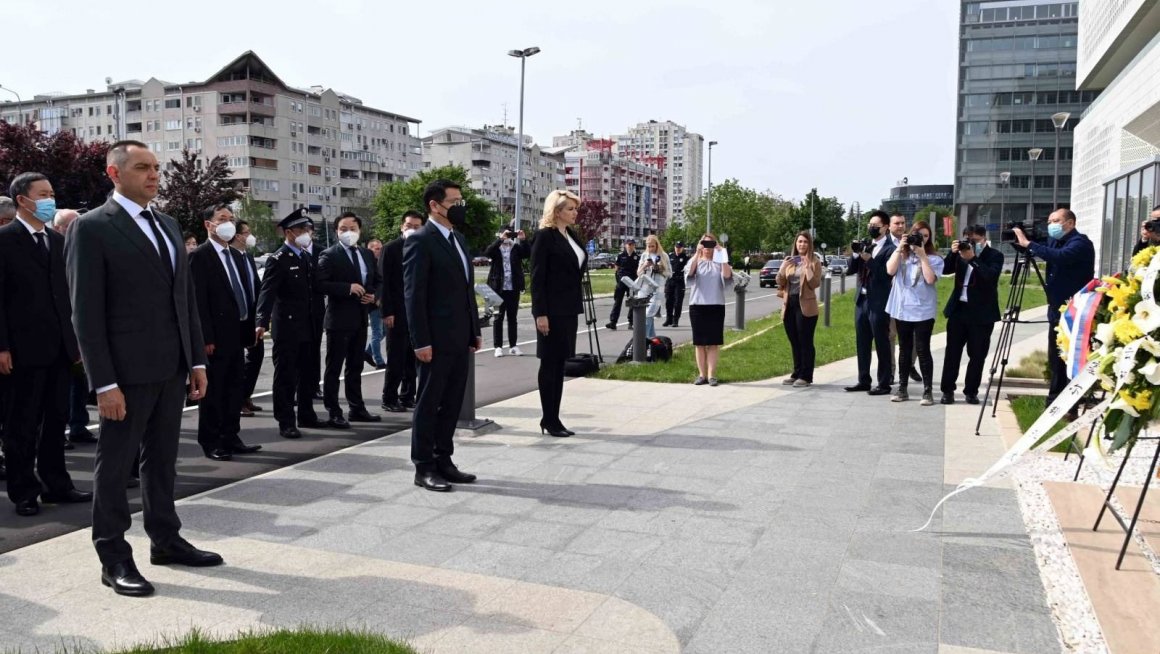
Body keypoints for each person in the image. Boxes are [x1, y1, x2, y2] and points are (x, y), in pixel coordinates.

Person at [67, 140, 218, 598]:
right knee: (115, 467)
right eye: (142, 168)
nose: (154, 175)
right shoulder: (92, 228)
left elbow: (183, 299)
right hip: (125, 375)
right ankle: (113, 556)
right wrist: (104, 382)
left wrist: (195, 360)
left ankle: (166, 539)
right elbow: (85, 313)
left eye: (156, 167)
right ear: (114, 174)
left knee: (162, 461)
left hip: (171, 367)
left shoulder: (168, 225)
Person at [0, 172, 92, 517]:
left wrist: (77, 341)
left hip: (59, 349)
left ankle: (58, 483)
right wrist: (2, 346)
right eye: (43, 194)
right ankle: (24, 491)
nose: (49, 199)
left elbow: (68, 297)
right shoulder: (5, 240)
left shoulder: (57, 242)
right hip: (21, 351)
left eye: (51, 193)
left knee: (56, 420)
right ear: (23, 200)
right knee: (21, 424)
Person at [404, 180, 481, 492]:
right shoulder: (420, 240)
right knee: (429, 403)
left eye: (461, 200)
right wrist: (420, 340)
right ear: (435, 205)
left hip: (459, 336)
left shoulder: (459, 239)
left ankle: (444, 459)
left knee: (451, 402)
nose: (461, 206)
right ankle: (424, 466)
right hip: (434, 340)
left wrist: (474, 330)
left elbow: (466, 290)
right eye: (454, 201)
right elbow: (414, 295)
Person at [189, 204, 262, 460]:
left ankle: (231, 436)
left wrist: (252, 325)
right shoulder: (199, 257)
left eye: (231, 219)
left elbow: (244, 293)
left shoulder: (237, 255)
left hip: (238, 332)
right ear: (209, 224)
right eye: (222, 219)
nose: (228, 223)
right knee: (214, 392)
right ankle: (212, 441)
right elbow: (198, 301)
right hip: (215, 338)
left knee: (234, 388)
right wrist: (206, 337)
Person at [1014, 209, 1095, 411]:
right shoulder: (1055, 241)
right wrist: (1021, 242)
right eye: (1049, 221)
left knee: (1071, 356)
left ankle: (1072, 402)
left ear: (1069, 223)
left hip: (1075, 310)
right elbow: (1043, 248)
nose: (1051, 225)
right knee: (1055, 357)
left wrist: (1029, 244)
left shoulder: (1080, 243)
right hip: (1056, 308)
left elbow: (1060, 257)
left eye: (1055, 221)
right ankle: (1054, 400)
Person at [255, 210, 327, 439]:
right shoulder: (278, 259)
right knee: (286, 376)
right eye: (301, 230)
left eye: (308, 230)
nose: (307, 234)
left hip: (309, 325)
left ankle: (307, 414)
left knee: (308, 373)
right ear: (289, 233)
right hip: (287, 328)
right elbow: (267, 292)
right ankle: (285, 420)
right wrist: (261, 321)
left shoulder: (305, 257)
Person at [318, 212, 382, 428]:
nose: (348, 233)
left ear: (360, 231)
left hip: (361, 318)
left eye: (352, 229)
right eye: (343, 229)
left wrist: (373, 294)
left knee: (355, 367)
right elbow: (320, 285)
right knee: (334, 368)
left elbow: (377, 280)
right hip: (338, 321)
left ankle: (357, 408)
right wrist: (347, 288)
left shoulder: (365, 254)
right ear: (336, 231)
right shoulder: (329, 255)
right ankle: (333, 411)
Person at [530, 190, 586, 437]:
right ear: (556, 211)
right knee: (550, 363)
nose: (575, 213)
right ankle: (549, 419)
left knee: (560, 363)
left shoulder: (570, 236)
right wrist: (540, 313)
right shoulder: (545, 237)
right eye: (571, 209)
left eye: (576, 209)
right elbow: (537, 278)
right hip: (551, 311)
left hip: (569, 308)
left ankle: (554, 418)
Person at [50, 208, 98, 447]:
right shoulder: (54, 249)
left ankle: (78, 426)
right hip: (60, 331)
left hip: (79, 329)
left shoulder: (82, 249)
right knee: (64, 387)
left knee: (79, 384)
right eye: (72, 225)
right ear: (59, 228)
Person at [940, 225, 1003, 405]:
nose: (970, 244)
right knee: (952, 353)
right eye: (967, 239)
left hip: (982, 313)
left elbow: (990, 277)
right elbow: (945, 270)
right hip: (959, 309)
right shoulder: (960, 254)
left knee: (977, 354)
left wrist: (973, 259)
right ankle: (947, 390)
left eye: (973, 240)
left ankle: (971, 391)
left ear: (983, 238)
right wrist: (953, 254)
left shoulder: (995, 256)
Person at [885, 221, 944, 404]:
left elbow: (929, 279)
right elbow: (890, 270)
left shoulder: (935, 259)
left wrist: (923, 256)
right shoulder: (902, 255)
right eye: (918, 235)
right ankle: (902, 388)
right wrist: (901, 248)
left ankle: (928, 391)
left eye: (926, 236)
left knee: (922, 349)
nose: (922, 239)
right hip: (903, 310)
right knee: (904, 348)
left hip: (923, 311)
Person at [845, 210, 896, 395]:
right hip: (862, 300)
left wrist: (870, 260)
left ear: (885, 227)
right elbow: (851, 270)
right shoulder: (867, 245)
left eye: (875, 226)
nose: (872, 229)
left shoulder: (891, 249)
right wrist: (857, 254)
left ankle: (884, 383)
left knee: (882, 342)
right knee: (862, 342)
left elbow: (885, 274)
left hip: (879, 301)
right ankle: (863, 380)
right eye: (869, 226)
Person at [380, 211, 423, 413]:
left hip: (416, 313)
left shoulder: (423, 247)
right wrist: (387, 311)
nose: (412, 229)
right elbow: (384, 283)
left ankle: (407, 396)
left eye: (416, 226)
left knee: (412, 359)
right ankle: (389, 398)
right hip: (396, 312)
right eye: (409, 225)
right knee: (395, 358)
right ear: (401, 226)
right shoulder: (390, 249)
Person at [686, 233, 733, 386]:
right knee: (699, 343)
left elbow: (726, 275)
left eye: (710, 244)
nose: (707, 248)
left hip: (716, 305)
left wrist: (721, 252)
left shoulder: (719, 262)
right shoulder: (695, 261)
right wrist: (696, 252)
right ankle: (702, 375)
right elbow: (690, 273)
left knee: (713, 342)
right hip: (697, 306)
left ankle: (712, 375)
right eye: (704, 244)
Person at [777, 231, 823, 387]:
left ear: (809, 245)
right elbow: (779, 281)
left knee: (805, 341)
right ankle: (796, 373)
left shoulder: (815, 262)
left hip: (806, 306)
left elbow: (814, 283)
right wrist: (783, 267)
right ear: (795, 244)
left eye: (805, 242)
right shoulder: (791, 261)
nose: (801, 244)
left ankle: (806, 376)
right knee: (794, 341)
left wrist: (807, 266)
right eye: (799, 242)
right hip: (789, 304)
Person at [232, 221, 265, 417]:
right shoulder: (231, 257)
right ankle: (238, 399)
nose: (250, 235)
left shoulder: (248, 257)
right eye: (247, 232)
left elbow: (256, 286)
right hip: (237, 318)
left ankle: (246, 395)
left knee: (256, 356)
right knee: (238, 362)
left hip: (252, 316)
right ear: (237, 236)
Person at [485, 224, 530, 357]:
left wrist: (523, 240)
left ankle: (513, 346)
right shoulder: (496, 247)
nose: (507, 236)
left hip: (513, 288)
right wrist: (499, 240)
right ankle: (498, 346)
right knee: (498, 318)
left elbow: (527, 253)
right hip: (496, 288)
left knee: (512, 318)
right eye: (506, 234)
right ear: (500, 234)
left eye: (510, 234)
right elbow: (487, 252)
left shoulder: (515, 248)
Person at [637, 234, 671, 338]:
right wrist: (645, 265)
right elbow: (638, 273)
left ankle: (643, 340)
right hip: (644, 287)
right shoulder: (644, 255)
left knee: (649, 313)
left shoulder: (664, 256)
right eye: (648, 246)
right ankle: (651, 339)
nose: (650, 248)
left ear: (657, 245)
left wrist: (659, 268)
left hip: (658, 287)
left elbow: (669, 273)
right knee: (645, 314)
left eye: (652, 246)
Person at [606, 239, 640, 330]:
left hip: (632, 283)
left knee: (632, 302)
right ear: (625, 245)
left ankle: (631, 322)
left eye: (632, 244)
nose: (630, 246)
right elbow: (616, 269)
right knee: (617, 302)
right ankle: (613, 322)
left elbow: (638, 271)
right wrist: (618, 281)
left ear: (634, 246)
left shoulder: (637, 257)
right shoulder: (621, 256)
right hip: (622, 282)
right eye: (628, 244)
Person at [364, 238, 386, 369]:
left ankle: (367, 352)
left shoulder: (381, 262)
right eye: (377, 248)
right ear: (369, 249)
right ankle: (379, 361)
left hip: (383, 303)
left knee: (384, 332)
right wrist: (375, 298)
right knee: (377, 332)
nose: (380, 251)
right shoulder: (368, 264)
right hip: (374, 303)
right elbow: (370, 284)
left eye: (381, 248)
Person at [663, 241, 690, 327]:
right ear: (674, 247)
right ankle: (669, 319)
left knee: (678, 302)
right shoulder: (670, 256)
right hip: (670, 281)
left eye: (679, 247)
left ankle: (675, 320)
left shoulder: (686, 258)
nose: (677, 249)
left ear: (682, 248)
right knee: (668, 301)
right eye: (676, 247)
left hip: (680, 282)